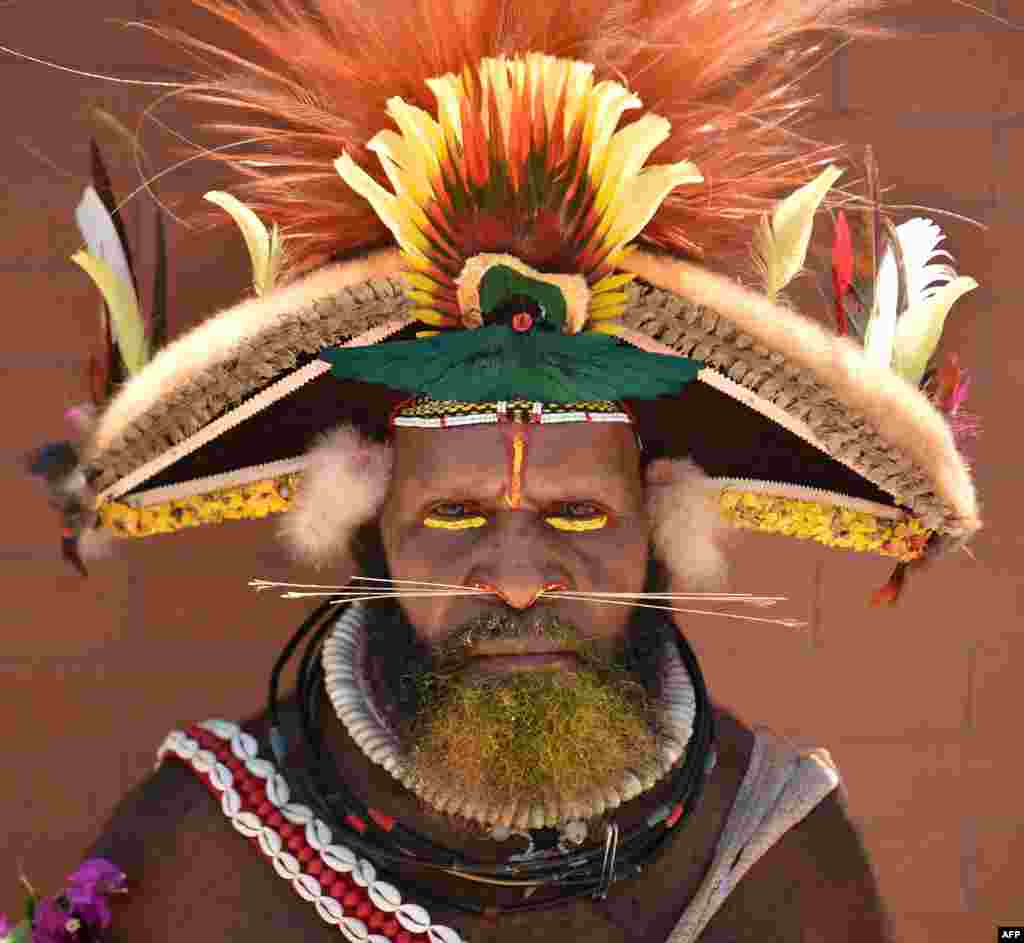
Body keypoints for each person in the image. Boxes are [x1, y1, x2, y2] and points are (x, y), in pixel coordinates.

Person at [19, 0, 982, 940]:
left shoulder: (776, 852)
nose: (517, 581)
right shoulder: (202, 852)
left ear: (659, 524)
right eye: (452, 512)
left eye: (575, 513)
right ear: (370, 529)